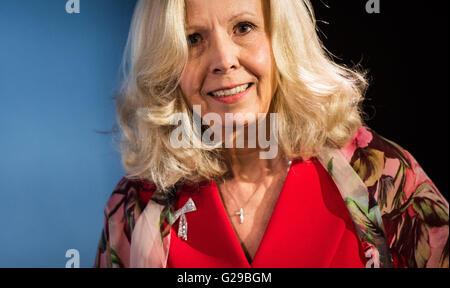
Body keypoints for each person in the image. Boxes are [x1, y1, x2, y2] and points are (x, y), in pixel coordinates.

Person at [94, 0, 448, 268]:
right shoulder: (137, 208)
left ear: (285, 41)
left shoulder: (383, 176)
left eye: (243, 28)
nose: (223, 59)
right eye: (193, 38)